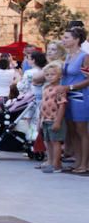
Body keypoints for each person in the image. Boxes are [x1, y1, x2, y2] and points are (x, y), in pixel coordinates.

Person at [61, 27, 89, 174]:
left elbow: (88, 80)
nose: (63, 40)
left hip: (80, 96)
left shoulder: (84, 57)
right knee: (72, 131)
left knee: (81, 131)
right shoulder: (67, 56)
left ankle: (85, 163)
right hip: (68, 96)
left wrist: (70, 87)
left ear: (76, 39)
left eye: (66, 37)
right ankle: (78, 161)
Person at [40, 62, 67, 174]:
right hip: (45, 119)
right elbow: (43, 104)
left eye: (53, 74)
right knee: (48, 141)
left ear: (60, 76)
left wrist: (58, 121)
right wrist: (40, 119)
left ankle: (57, 165)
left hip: (54, 119)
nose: (50, 76)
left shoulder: (60, 89)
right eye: (47, 75)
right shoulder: (46, 88)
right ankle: (51, 162)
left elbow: (62, 105)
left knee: (56, 142)